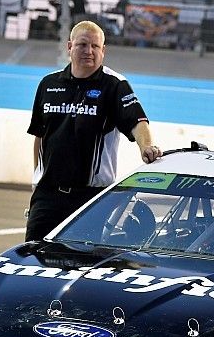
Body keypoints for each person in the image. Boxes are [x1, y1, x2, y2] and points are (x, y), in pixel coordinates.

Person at [25, 20, 162, 242]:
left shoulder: (115, 85)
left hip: (90, 199)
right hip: (47, 195)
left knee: (80, 264)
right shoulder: (47, 84)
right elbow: (39, 136)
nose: (89, 51)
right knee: (33, 260)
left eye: (95, 46)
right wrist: (36, 179)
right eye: (82, 45)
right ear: (69, 47)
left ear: (103, 51)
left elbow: (137, 121)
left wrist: (146, 146)